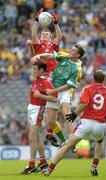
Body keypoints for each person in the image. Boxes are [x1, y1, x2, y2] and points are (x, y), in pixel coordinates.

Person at [40, 70, 106, 177]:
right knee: (99, 141)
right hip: (100, 124)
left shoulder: (87, 88)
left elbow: (84, 103)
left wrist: (75, 114)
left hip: (86, 122)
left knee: (67, 145)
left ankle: (49, 169)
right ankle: (94, 166)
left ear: (93, 78)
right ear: (104, 79)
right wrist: (103, 114)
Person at [26, 9, 64, 146]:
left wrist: (56, 23)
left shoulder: (54, 46)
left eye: (47, 33)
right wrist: (36, 21)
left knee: (51, 105)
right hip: (41, 78)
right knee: (43, 104)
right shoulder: (38, 45)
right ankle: (48, 132)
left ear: (50, 36)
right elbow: (33, 33)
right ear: (41, 37)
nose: (45, 34)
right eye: (43, 33)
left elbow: (59, 37)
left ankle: (50, 132)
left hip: (53, 77)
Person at [33, 44, 85, 141]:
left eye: (73, 50)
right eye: (71, 49)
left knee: (67, 115)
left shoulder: (77, 69)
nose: (70, 51)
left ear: (77, 55)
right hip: (53, 88)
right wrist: (39, 56)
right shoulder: (65, 56)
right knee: (50, 121)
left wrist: (53, 91)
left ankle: (73, 141)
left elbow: (69, 85)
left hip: (64, 91)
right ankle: (64, 141)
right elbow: (50, 55)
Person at [21, 60, 57, 174]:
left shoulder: (46, 81)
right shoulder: (37, 80)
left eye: (35, 69)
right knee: (36, 137)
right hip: (32, 108)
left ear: (42, 70)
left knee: (32, 137)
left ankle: (31, 165)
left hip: (38, 108)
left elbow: (55, 98)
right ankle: (43, 162)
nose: (33, 70)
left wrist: (41, 95)